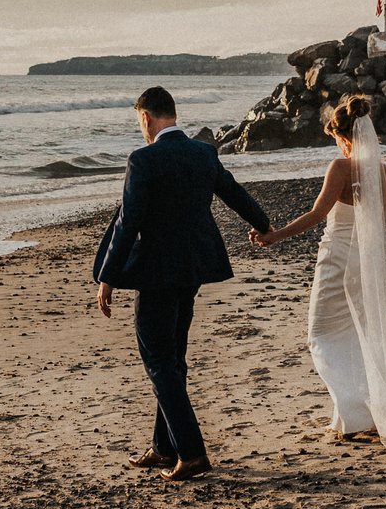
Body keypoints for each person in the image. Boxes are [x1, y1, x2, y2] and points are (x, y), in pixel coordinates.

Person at [253, 95, 386, 461]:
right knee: (355, 333)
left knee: (320, 334)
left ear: (343, 137)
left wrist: (275, 236)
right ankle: (350, 416)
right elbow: (378, 222)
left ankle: (355, 415)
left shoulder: (340, 166)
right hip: (363, 260)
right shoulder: (382, 171)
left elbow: (317, 214)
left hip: (337, 257)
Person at [93, 87, 274, 482]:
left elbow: (129, 222)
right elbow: (234, 193)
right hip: (192, 270)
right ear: (173, 114)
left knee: (159, 360)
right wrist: (263, 225)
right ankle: (165, 447)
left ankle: (191, 452)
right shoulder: (203, 153)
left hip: (156, 274)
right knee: (173, 358)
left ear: (146, 117)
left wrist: (107, 276)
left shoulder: (143, 159)